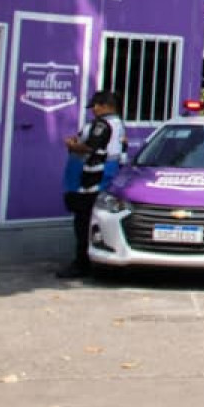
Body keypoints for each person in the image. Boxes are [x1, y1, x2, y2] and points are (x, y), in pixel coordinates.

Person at [58, 91, 125, 279]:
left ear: (103, 105)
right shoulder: (117, 124)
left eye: (95, 105)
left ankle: (81, 263)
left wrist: (72, 145)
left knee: (83, 222)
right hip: (97, 178)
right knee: (88, 221)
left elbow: (91, 147)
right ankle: (87, 260)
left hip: (91, 180)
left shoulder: (103, 124)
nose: (93, 110)